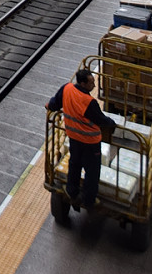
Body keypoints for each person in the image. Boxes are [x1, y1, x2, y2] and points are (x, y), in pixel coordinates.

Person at [46, 67, 117, 212]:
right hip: (90, 143)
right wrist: (113, 124)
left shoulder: (67, 89)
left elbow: (54, 103)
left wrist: (49, 106)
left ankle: (71, 191)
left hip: (74, 138)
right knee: (92, 171)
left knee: (75, 164)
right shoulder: (88, 101)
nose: (94, 86)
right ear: (83, 84)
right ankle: (89, 200)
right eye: (91, 83)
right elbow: (101, 120)